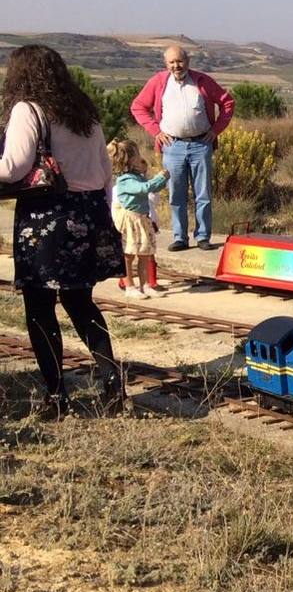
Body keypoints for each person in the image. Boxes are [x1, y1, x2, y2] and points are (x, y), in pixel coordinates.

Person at [0, 45, 126, 416]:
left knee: (39, 308)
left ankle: (56, 396)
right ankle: (112, 383)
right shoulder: (84, 112)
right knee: (80, 301)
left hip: (47, 218)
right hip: (88, 213)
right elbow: (105, 173)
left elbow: (12, 167)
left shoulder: (29, 109)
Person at [129, 44, 235, 251]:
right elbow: (138, 106)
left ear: (187, 61)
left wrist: (216, 129)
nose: (176, 66)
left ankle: (203, 236)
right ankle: (180, 237)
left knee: (202, 193)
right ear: (166, 64)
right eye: (172, 62)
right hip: (172, 146)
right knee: (176, 194)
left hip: (200, 144)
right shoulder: (158, 82)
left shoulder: (202, 81)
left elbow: (227, 103)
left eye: (180, 61)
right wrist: (156, 131)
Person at [107, 139, 170, 298]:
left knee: (144, 253)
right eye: (137, 154)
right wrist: (159, 178)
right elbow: (144, 189)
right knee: (128, 254)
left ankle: (145, 285)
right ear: (130, 158)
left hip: (141, 218)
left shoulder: (136, 177)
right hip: (130, 220)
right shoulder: (125, 180)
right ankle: (129, 286)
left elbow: (151, 186)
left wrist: (162, 180)